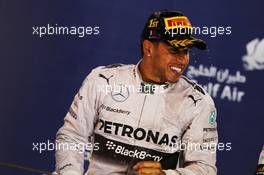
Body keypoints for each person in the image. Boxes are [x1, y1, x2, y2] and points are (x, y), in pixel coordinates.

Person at [55, 10, 218, 175]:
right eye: (174, 51)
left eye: (187, 51)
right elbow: (71, 137)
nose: (183, 60)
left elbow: (205, 169)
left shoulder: (198, 103)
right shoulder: (103, 80)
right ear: (148, 48)